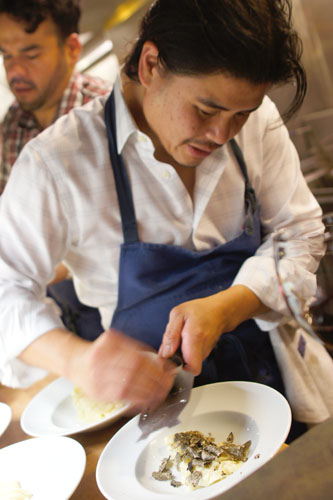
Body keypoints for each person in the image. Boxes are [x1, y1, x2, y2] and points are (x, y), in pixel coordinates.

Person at [0, 0, 325, 430]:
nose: (222, 135)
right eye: (206, 111)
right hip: (158, 418)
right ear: (151, 65)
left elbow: (299, 232)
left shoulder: (258, 121)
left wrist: (228, 307)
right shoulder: (58, 163)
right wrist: (78, 360)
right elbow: (6, 286)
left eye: (240, 116)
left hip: (281, 382)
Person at [0, 0, 113, 338]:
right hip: (57, 309)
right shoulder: (11, 128)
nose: (15, 71)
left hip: (119, 306)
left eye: (31, 54)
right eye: (6, 55)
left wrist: (29, 268)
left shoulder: (107, 115)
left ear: (72, 48)